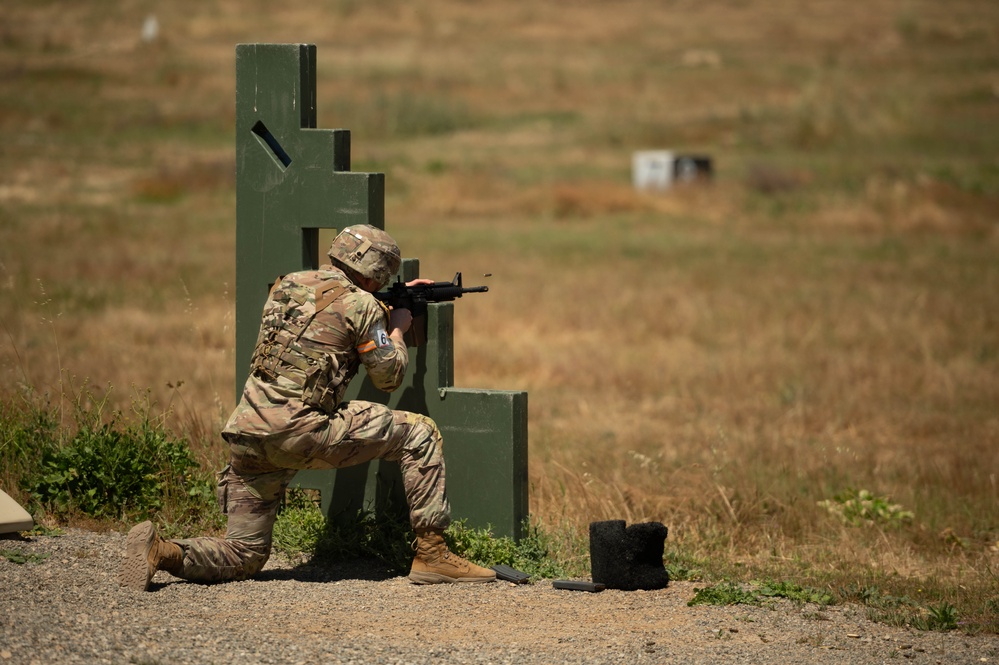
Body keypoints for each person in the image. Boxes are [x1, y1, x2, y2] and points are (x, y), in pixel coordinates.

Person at [120, 224, 496, 591]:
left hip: (249, 432)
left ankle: (163, 552)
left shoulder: (288, 284)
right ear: (376, 270)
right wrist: (395, 326)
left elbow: (323, 320)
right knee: (419, 432)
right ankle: (432, 555)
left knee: (245, 554)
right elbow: (389, 375)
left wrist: (383, 303)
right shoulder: (363, 306)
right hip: (301, 431)